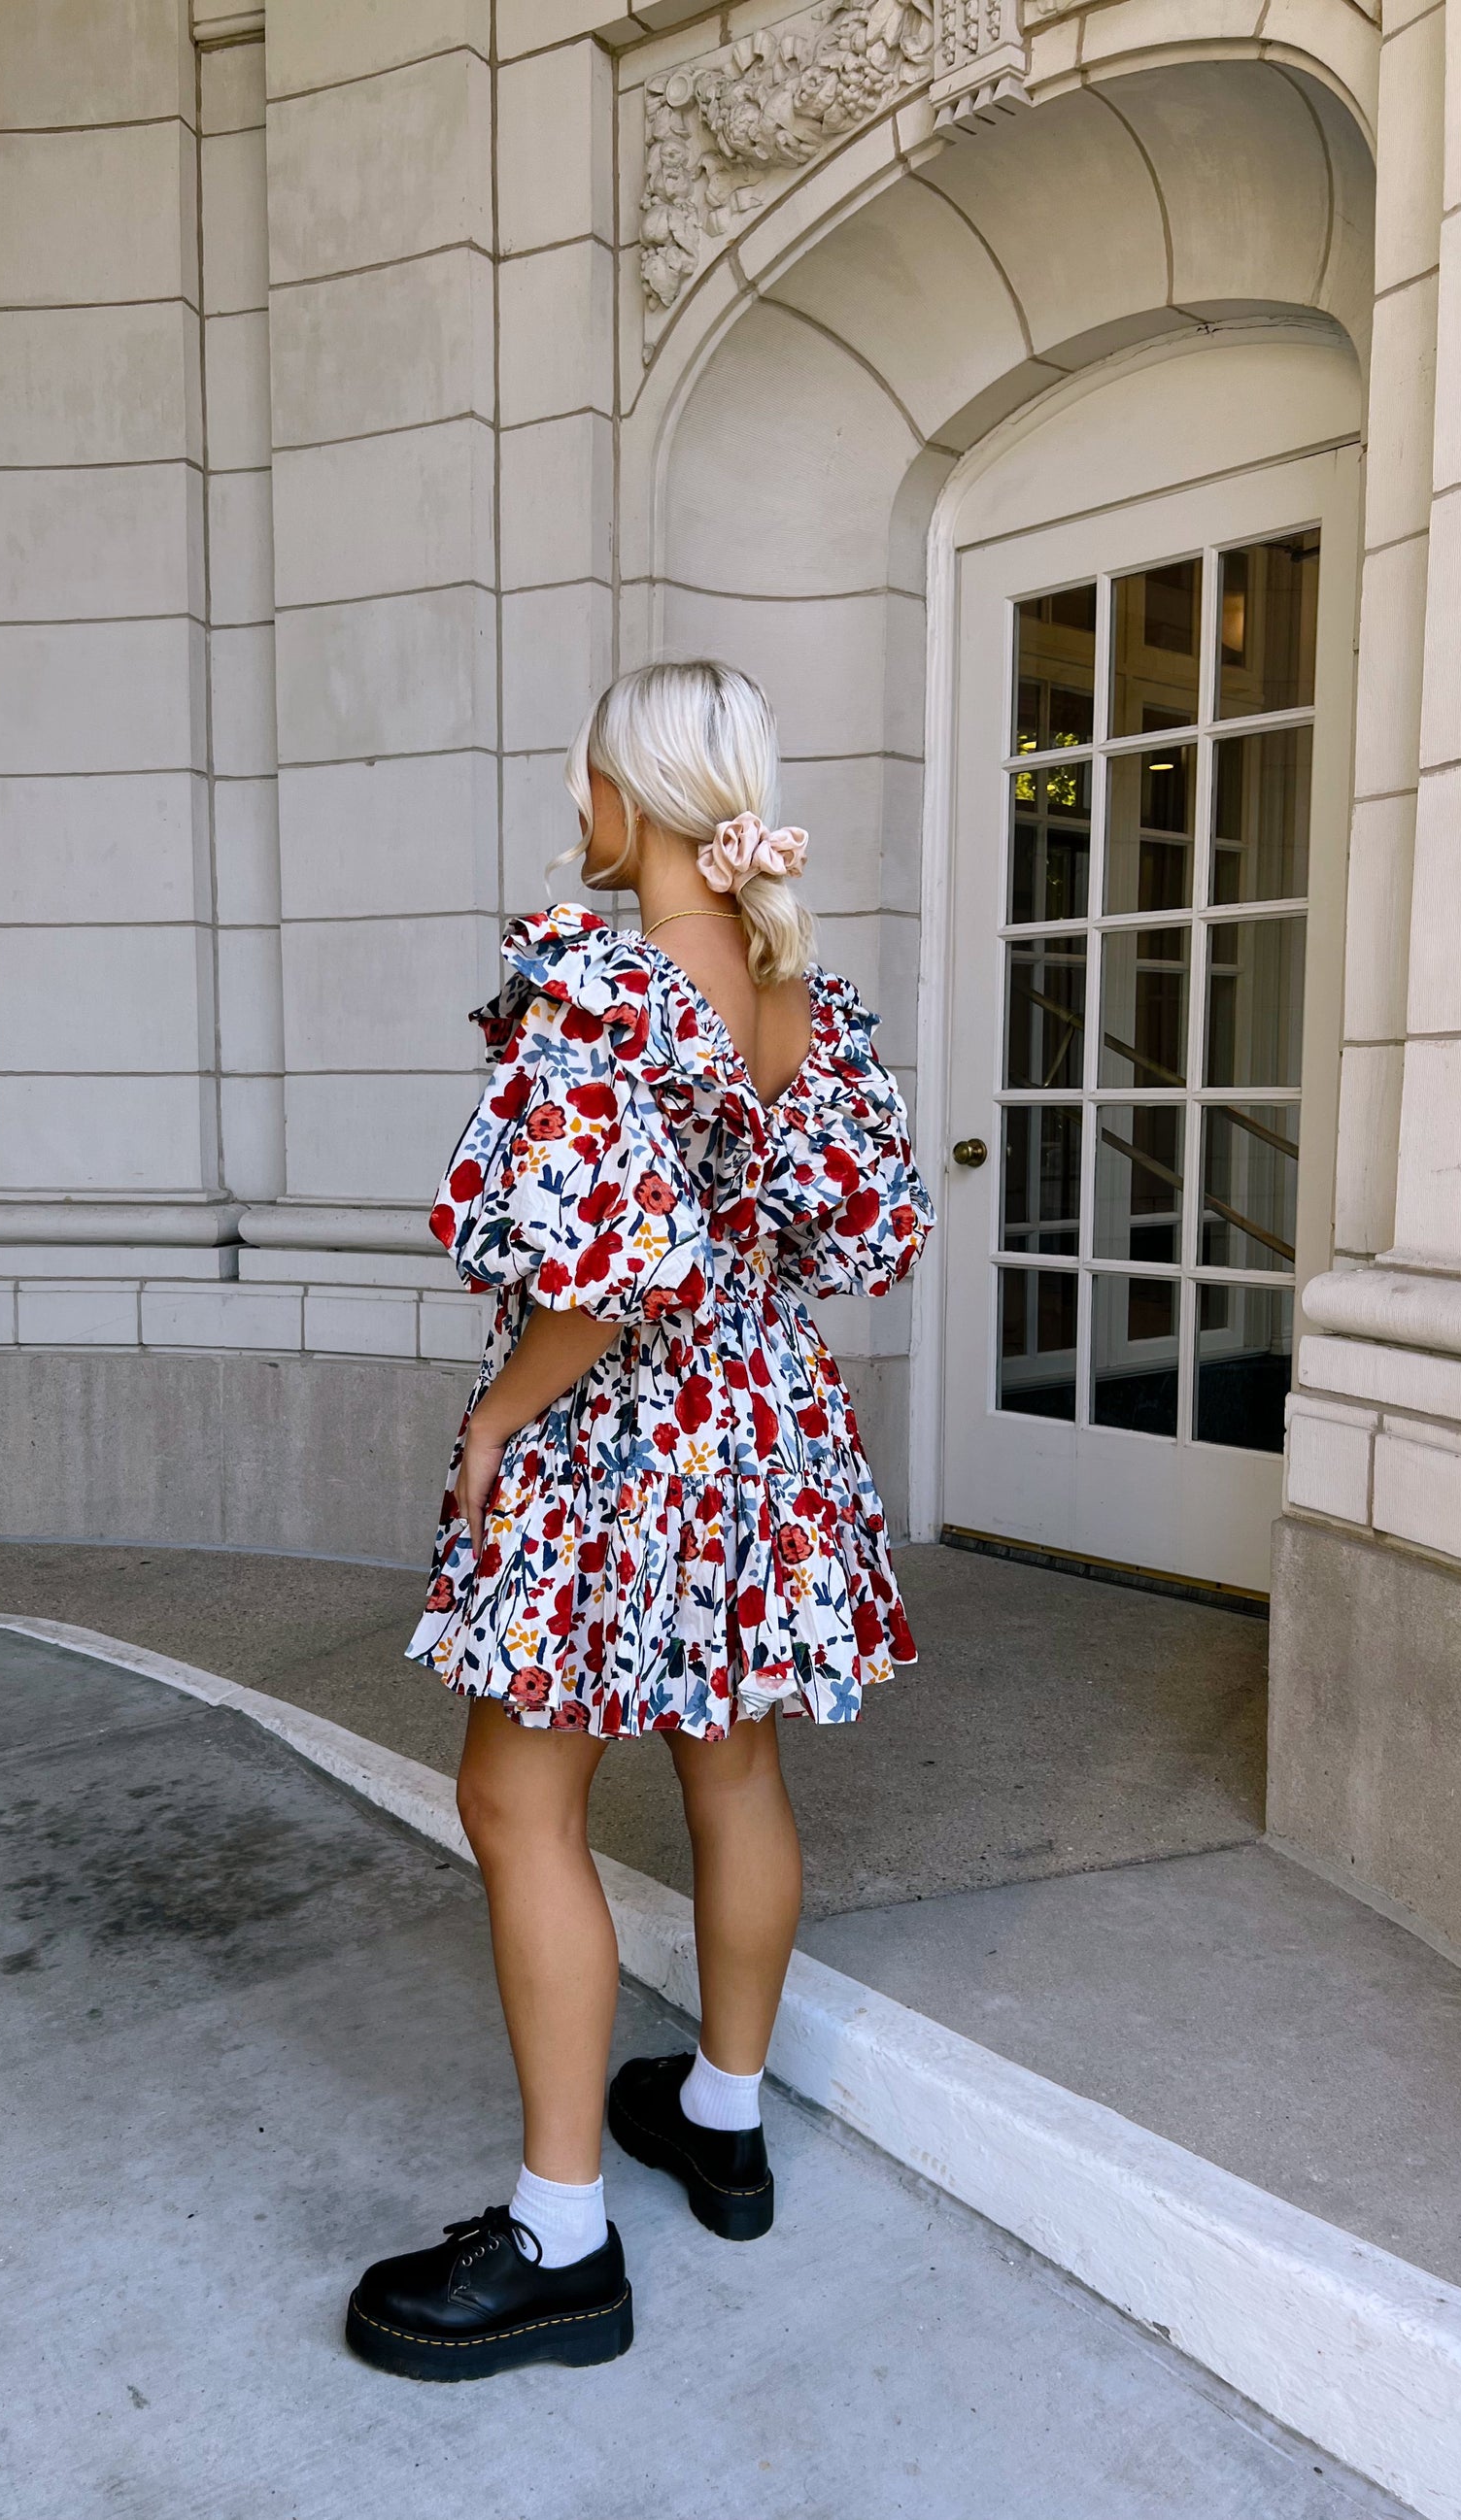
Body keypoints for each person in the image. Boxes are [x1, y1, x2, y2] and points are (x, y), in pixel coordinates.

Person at [346, 660, 934, 2382]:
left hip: (620, 1438)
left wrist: (495, 1422)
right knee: (731, 1770)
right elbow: (850, 1235)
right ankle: (721, 2125)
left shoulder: (602, 988)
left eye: (586, 776)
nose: (576, 804)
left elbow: (598, 1280)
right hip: (762, 1432)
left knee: (513, 1797)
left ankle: (560, 2245)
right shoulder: (797, 996)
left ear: (633, 796)